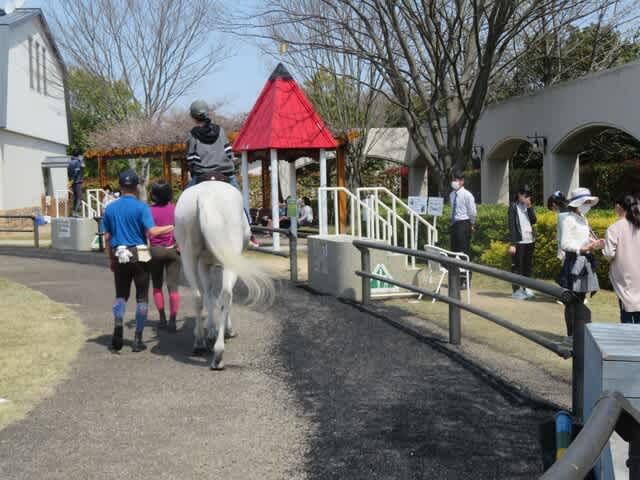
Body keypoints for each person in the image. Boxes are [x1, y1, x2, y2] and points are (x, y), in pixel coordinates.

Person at [101, 170, 174, 353]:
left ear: (120, 186)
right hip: (139, 254)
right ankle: (137, 339)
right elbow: (153, 231)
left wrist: (110, 259)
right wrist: (172, 226)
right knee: (142, 297)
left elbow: (107, 237)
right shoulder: (142, 208)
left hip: (119, 254)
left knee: (121, 296)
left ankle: (118, 325)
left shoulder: (110, 208)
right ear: (136, 187)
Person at [185, 99, 259, 247]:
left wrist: (194, 171)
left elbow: (191, 158)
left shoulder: (192, 134)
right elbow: (228, 152)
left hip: (202, 174)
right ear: (207, 113)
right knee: (239, 200)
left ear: (193, 117)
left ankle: (180, 236)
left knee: (185, 201)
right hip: (225, 174)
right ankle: (250, 232)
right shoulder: (220, 130)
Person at [558, 187, 604, 339]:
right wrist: (581, 249)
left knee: (581, 299)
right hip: (574, 262)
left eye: (589, 202)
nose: (588, 205)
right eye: (586, 202)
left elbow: (585, 238)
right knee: (571, 300)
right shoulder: (568, 219)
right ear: (578, 203)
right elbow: (564, 243)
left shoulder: (583, 218)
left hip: (585, 262)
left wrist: (595, 244)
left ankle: (578, 335)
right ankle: (571, 335)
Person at [149, 180, 181, 332]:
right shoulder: (176, 209)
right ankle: (173, 320)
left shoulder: (149, 211)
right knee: (173, 288)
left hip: (156, 250)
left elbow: (146, 231)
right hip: (173, 250)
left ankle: (162, 318)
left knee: (157, 286)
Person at [603, 193, 640, 324]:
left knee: (627, 317)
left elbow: (609, 254)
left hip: (625, 278)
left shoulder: (615, 228)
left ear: (618, 207)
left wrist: (602, 246)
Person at [508, 185, 537, 300]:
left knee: (527, 267)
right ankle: (516, 290)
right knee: (517, 266)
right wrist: (513, 244)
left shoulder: (528, 206)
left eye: (528, 195)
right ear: (519, 194)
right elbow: (512, 226)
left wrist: (529, 207)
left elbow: (534, 220)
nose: (526, 197)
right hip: (519, 241)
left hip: (530, 240)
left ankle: (526, 288)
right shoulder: (513, 207)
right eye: (524, 194)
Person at [450, 171, 477, 288]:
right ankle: (457, 279)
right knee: (454, 252)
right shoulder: (452, 195)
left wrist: (472, 223)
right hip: (454, 224)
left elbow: (472, 212)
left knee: (464, 252)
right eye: (453, 180)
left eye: (456, 180)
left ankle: (466, 279)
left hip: (464, 223)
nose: (454, 182)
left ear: (462, 181)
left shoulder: (467, 195)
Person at [547, 191, 569, 261]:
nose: (553, 211)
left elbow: (564, 234)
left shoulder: (561, 216)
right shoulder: (573, 210)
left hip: (567, 249)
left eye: (552, 209)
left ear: (554, 205)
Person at [67, 151, 84, 216]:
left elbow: (69, 172)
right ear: (78, 155)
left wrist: (70, 180)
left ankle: (74, 211)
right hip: (77, 181)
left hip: (73, 182)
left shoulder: (70, 162)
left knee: (75, 197)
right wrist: (73, 179)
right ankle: (75, 211)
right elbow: (77, 171)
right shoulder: (77, 162)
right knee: (79, 197)